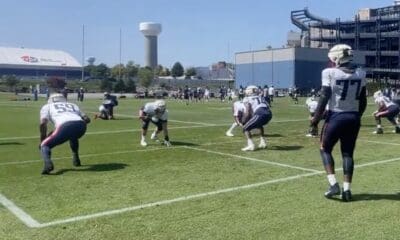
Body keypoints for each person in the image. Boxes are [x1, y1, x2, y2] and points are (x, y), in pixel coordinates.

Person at [310, 44, 367, 202]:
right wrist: (357, 116)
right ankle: (347, 190)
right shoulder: (361, 73)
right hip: (353, 117)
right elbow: (362, 101)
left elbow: (324, 96)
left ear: (336, 58)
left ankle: (333, 184)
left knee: (325, 149)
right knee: (348, 153)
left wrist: (315, 120)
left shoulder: (329, 72)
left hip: (336, 116)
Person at [39, 93, 90, 174]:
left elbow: (43, 124)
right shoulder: (72, 105)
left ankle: (47, 165)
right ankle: (76, 158)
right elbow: (87, 119)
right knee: (73, 135)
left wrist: (43, 139)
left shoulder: (47, 106)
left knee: (44, 145)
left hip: (64, 125)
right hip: (81, 125)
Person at [241, 85, 273, 151]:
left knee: (245, 128)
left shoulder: (247, 99)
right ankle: (262, 142)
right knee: (259, 125)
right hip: (269, 114)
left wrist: (243, 120)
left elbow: (248, 111)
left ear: (249, 91)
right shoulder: (261, 97)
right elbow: (267, 105)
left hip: (260, 113)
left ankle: (251, 145)